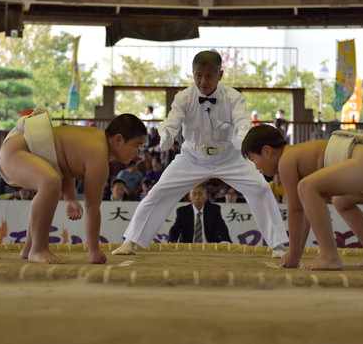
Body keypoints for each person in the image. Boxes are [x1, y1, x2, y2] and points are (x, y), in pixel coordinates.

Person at [112, 50, 288, 257]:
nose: (203, 81)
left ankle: (278, 245)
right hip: (192, 156)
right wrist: (166, 135)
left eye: (209, 76)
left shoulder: (234, 98)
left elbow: (242, 124)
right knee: (159, 191)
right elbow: (172, 121)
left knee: (261, 188)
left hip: (230, 155)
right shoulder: (184, 97)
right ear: (193, 73)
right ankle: (130, 242)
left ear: (220, 75)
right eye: (198, 75)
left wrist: (242, 142)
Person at [0, 107, 147, 264]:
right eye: (136, 145)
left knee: (51, 181)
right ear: (118, 139)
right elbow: (92, 208)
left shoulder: (94, 140)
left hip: (16, 150)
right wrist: (94, 250)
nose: (137, 152)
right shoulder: (98, 156)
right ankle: (38, 249)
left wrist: (69, 198)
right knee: (50, 183)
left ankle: (29, 247)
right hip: (16, 152)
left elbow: (64, 164)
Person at [241, 124, 363, 270]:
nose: (256, 167)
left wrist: (293, 255)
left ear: (267, 151)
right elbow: (305, 211)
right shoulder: (297, 156)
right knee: (342, 203)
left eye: (253, 160)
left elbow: (296, 210)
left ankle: (329, 256)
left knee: (306, 186)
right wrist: (296, 255)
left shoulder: (286, 160)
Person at [167, 184, 231, 243]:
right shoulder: (182, 211)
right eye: (194, 194)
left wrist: (225, 241)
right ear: (189, 197)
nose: (197, 197)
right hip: (188, 247)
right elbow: (175, 229)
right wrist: (171, 240)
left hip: (209, 246)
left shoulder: (213, 210)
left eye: (200, 194)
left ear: (206, 196)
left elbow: (221, 227)